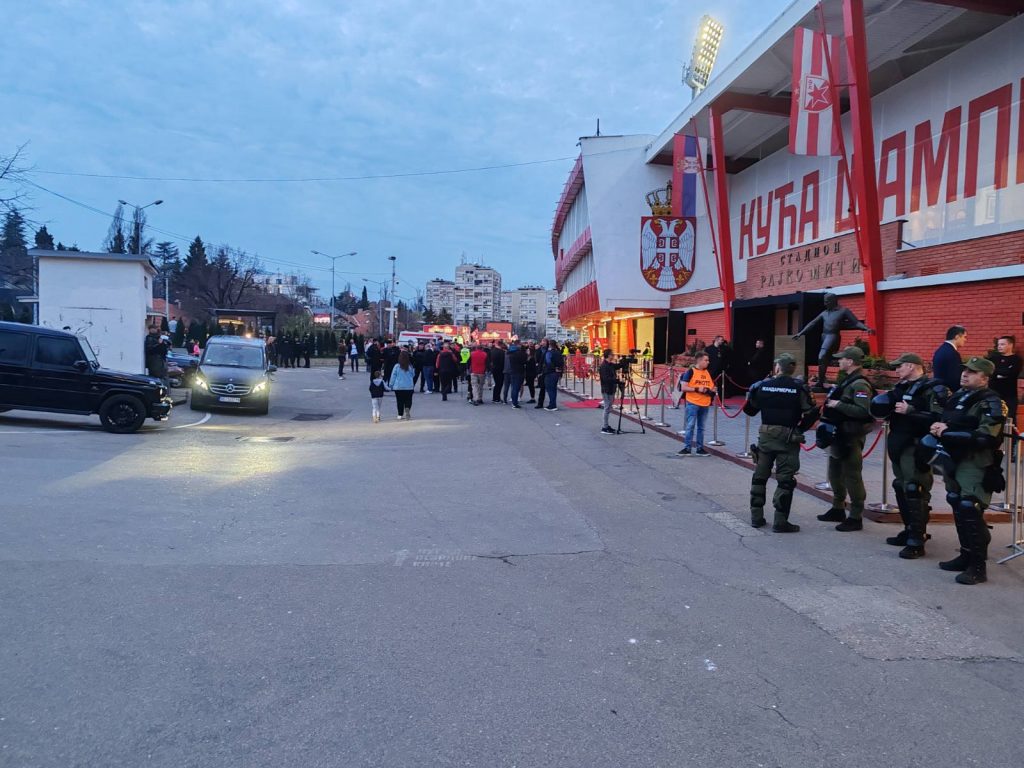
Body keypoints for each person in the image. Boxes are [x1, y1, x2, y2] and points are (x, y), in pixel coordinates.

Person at [927, 357, 1006, 584]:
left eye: (972, 372)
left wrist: (946, 432)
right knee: (956, 501)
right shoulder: (960, 396)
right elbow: (951, 420)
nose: (965, 374)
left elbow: (986, 436)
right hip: (954, 457)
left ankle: (978, 567)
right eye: (965, 371)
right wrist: (939, 427)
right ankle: (965, 554)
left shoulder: (991, 401)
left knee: (969, 507)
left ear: (984, 378)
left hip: (975, 461)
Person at [869, 353, 950, 558]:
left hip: (916, 446)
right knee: (901, 486)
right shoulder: (902, 387)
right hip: (899, 443)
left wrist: (911, 411)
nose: (896, 370)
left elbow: (941, 417)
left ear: (912, 366)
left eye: (900, 367)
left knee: (915, 488)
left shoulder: (933, 388)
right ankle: (908, 529)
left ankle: (917, 539)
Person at [743, 353, 819, 532]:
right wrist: (800, 429)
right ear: (792, 369)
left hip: (766, 438)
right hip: (788, 439)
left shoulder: (763, 386)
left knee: (759, 477)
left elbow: (749, 410)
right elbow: (812, 412)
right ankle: (780, 521)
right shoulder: (799, 388)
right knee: (785, 481)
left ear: (777, 367)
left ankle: (756, 517)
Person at [816, 346, 876, 531]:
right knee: (835, 473)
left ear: (850, 361)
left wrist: (838, 404)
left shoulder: (860, 385)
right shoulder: (848, 380)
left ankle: (856, 516)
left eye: (842, 359)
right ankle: (837, 508)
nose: (839, 361)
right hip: (839, 434)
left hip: (851, 436)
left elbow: (863, 411)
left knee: (852, 475)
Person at [793, 292, 873, 390]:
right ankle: (821, 382)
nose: (825, 303)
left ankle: (821, 381)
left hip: (832, 336)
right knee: (825, 359)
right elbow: (812, 323)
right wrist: (801, 333)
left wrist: (866, 328)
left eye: (827, 301)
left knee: (822, 356)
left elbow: (855, 322)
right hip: (824, 336)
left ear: (833, 301)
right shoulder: (824, 313)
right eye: (824, 301)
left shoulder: (843, 311)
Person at [676, 352, 715, 456]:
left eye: (708, 360)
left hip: (705, 403)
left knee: (701, 427)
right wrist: (697, 389)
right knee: (690, 426)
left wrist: (711, 390)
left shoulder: (707, 372)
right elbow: (683, 387)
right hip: (693, 403)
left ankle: (700, 448)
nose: (708, 362)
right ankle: (687, 448)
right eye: (706, 360)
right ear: (699, 360)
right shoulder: (690, 372)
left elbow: (711, 386)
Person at [990, 335, 1021, 428]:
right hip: (994, 393)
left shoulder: (1016, 359)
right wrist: (1001, 373)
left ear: (1010, 345)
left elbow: (1012, 373)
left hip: (1009, 395)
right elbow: (990, 372)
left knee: (1009, 419)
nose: (999, 346)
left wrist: (998, 372)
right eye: (998, 344)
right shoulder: (993, 358)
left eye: (1002, 344)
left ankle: (1011, 437)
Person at [931, 325, 967, 393]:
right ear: (957, 337)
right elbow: (954, 377)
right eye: (964, 337)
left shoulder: (940, 350)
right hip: (948, 392)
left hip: (938, 390)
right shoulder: (952, 353)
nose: (965, 340)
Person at [388, 350, 416, 420]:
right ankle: (407, 408)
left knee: (399, 401)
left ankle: (400, 414)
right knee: (408, 400)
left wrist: (391, 385)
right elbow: (413, 375)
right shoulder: (410, 366)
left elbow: (393, 376)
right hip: (409, 387)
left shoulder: (397, 366)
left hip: (398, 387)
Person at [599, 349, 620, 434]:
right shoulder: (604, 366)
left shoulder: (610, 364)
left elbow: (617, 366)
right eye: (612, 354)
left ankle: (606, 425)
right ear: (608, 355)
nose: (613, 356)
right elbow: (606, 379)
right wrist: (616, 381)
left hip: (611, 388)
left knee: (609, 407)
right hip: (606, 389)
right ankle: (604, 427)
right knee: (607, 407)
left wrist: (625, 361)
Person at [542, 338, 564, 411]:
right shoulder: (559, 352)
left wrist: (553, 368)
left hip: (550, 372)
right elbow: (562, 363)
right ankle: (553, 404)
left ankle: (552, 405)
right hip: (557, 373)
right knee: (554, 389)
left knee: (550, 389)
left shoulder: (549, 353)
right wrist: (560, 372)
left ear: (549, 345)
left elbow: (548, 362)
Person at [507, 340, 527, 408]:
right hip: (520, 371)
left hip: (513, 371)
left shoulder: (510, 353)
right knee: (517, 387)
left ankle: (514, 401)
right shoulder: (521, 353)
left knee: (514, 387)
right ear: (518, 345)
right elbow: (525, 361)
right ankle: (515, 403)